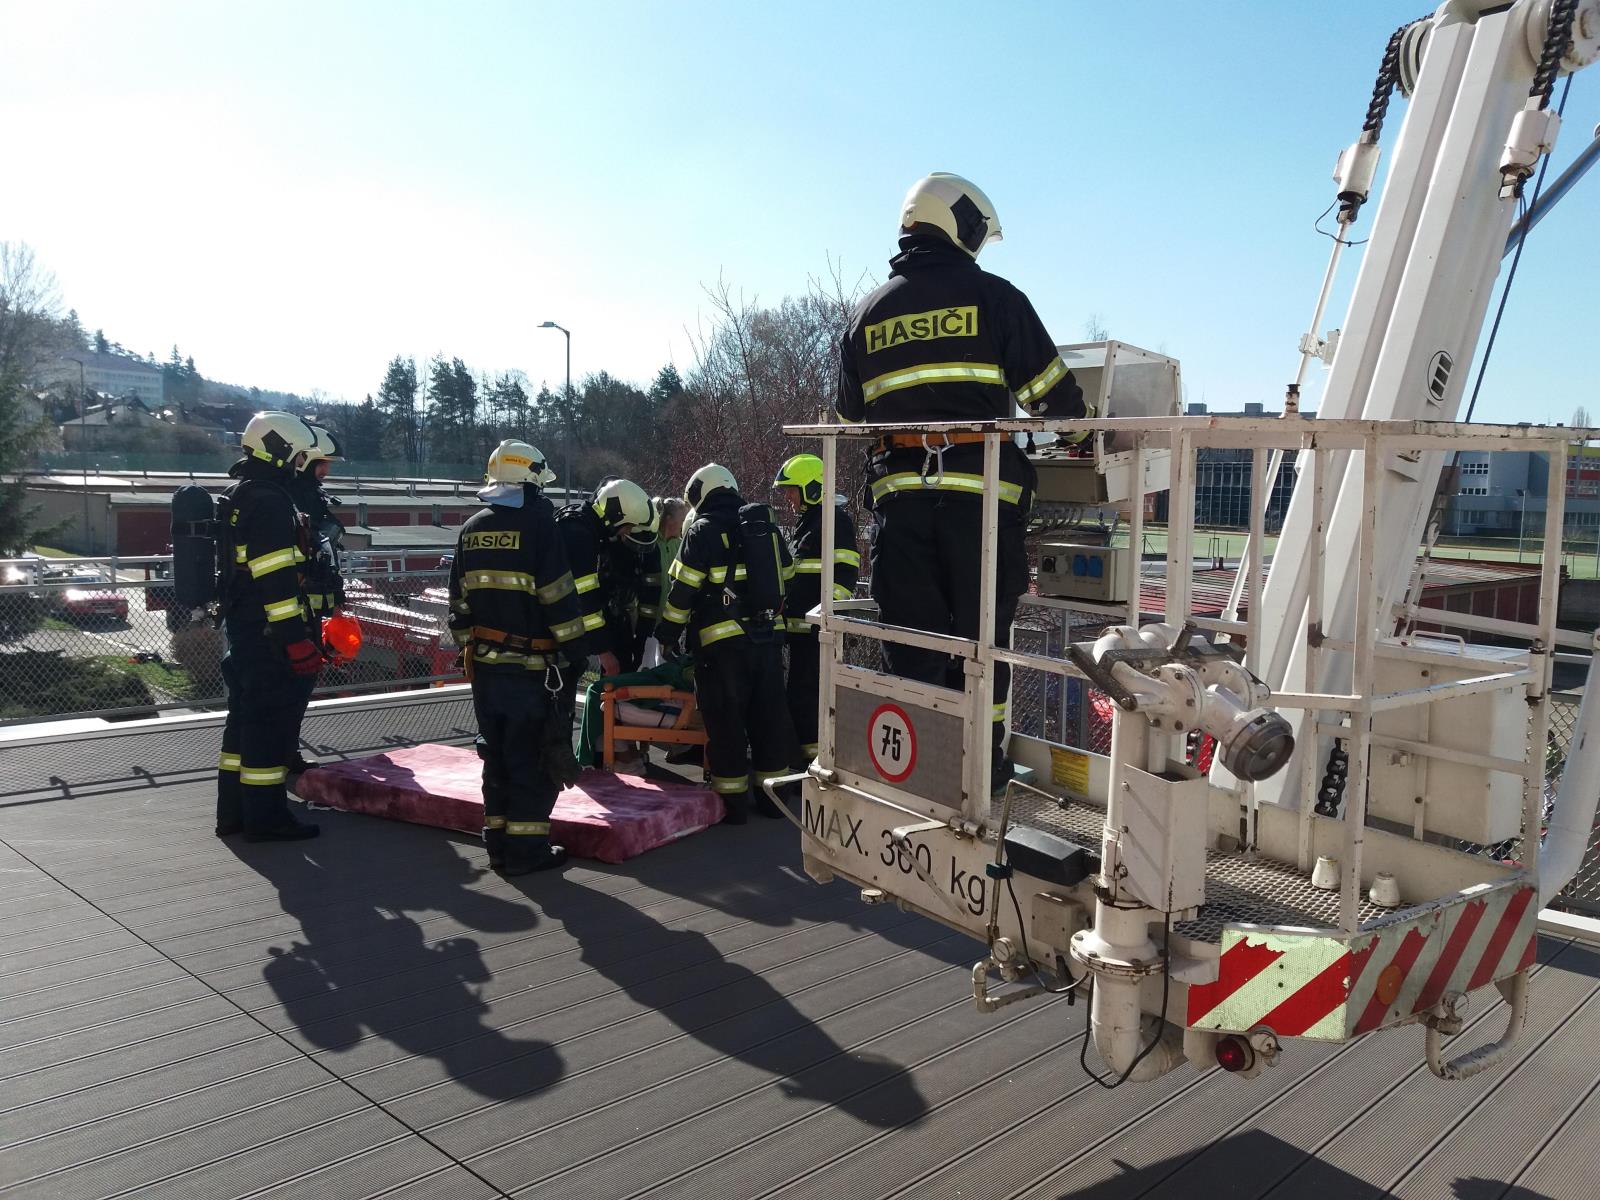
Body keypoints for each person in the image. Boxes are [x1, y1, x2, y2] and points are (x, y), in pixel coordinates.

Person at [836, 172, 1090, 792]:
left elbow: (850, 415)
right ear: (959, 225)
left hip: (900, 507)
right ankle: (982, 769)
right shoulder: (997, 299)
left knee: (914, 642)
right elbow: (1053, 399)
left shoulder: (867, 313)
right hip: (982, 508)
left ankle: (921, 766)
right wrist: (1083, 434)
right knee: (983, 645)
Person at [446, 440, 587, 874]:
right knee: (532, 760)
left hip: (486, 671)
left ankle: (498, 844)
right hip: (534, 673)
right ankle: (527, 852)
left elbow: (459, 605)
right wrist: (575, 653)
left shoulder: (471, 528)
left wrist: (470, 648)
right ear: (531, 481)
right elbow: (558, 599)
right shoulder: (542, 527)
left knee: (498, 758)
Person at [655, 464, 796, 822]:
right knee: (768, 720)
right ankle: (773, 800)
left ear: (701, 494)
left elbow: (681, 592)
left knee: (727, 725)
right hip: (767, 642)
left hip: (722, 650)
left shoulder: (702, 530)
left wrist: (668, 636)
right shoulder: (764, 528)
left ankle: (732, 806)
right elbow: (789, 574)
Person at [215, 411, 326, 842]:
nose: (301, 464)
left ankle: (234, 815)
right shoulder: (269, 501)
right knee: (267, 729)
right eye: (298, 456)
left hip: (243, 631)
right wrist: (295, 641)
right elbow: (276, 580)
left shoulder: (241, 493)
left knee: (241, 727)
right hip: (267, 638)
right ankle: (266, 820)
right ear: (280, 451)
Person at [772, 454, 859, 762]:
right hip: (802, 634)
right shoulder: (810, 523)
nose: (788, 497)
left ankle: (814, 765)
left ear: (811, 487)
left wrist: (825, 616)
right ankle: (807, 761)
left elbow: (847, 573)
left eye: (792, 489)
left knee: (810, 701)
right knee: (800, 699)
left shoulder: (834, 521)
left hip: (818, 634)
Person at [284, 424, 346, 775]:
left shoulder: (307, 495)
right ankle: (285, 752)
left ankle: (286, 749)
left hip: (311, 607)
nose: (327, 470)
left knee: (301, 683)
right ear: (304, 459)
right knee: (293, 684)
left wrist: (336, 596)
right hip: (296, 608)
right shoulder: (294, 497)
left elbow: (326, 557)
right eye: (323, 463)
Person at [555, 478, 655, 683]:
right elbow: (584, 598)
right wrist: (604, 652)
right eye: (627, 526)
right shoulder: (579, 534)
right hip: (557, 640)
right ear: (616, 516)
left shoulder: (585, 527)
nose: (626, 533)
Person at [637, 496, 688, 668]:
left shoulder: (681, 545)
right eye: (681, 519)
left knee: (665, 668)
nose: (683, 524)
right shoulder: (649, 544)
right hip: (647, 621)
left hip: (669, 624)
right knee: (645, 666)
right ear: (668, 519)